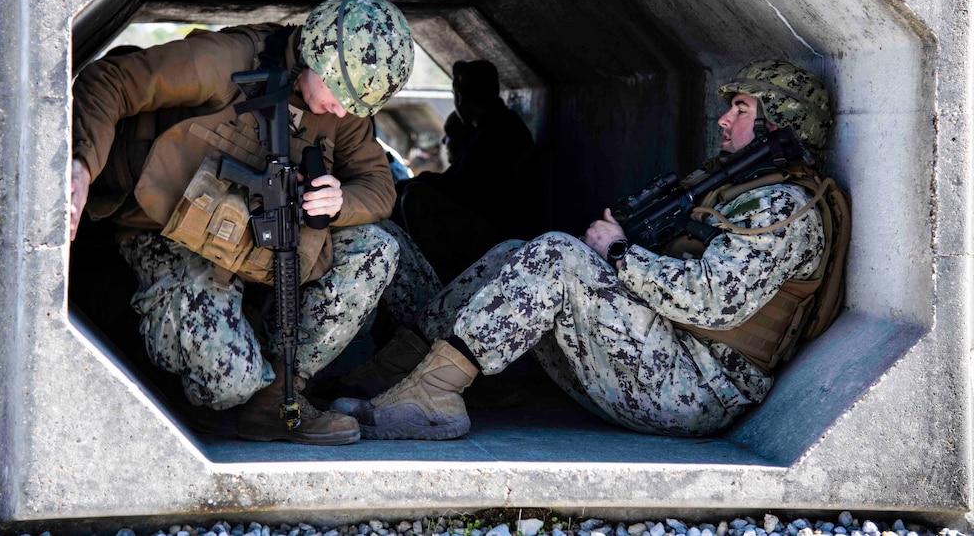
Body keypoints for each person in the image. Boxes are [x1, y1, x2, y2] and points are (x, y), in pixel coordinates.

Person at [340, 60, 843, 440]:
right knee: (516, 252)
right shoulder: (739, 188)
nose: (723, 120)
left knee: (558, 255)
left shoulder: (784, 207)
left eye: (741, 109)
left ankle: (432, 397)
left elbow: (712, 300)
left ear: (780, 123)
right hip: (664, 360)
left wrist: (620, 253)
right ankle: (402, 370)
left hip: (696, 387)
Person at [70, 0, 414, 445]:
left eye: (357, 105)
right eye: (341, 96)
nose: (344, 112)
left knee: (378, 247)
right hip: (173, 232)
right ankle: (217, 370)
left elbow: (378, 184)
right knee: (226, 383)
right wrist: (81, 165)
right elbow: (109, 80)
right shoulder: (226, 61)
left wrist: (341, 201)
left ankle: (276, 399)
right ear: (317, 53)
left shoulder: (341, 110)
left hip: (265, 239)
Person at [392, 59, 538, 283]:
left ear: (460, 97)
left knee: (416, 198)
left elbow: (460, 188)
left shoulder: (497, 131)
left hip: (502, 239)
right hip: (500, 230)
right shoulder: (495, 126)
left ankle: (440, 281)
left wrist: (413, 184)